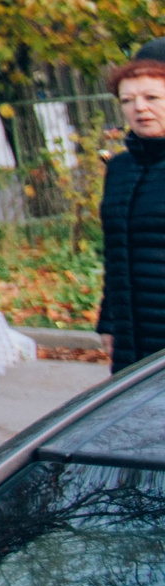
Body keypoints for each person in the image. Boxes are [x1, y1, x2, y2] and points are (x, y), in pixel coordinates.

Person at [98, 50, 165, 374]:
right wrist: (109, 322)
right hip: (131, 337)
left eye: (152, 97)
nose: (139, 108)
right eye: (127, 100)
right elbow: (115, 251)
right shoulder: (119, 168)